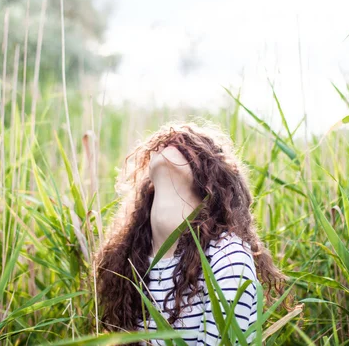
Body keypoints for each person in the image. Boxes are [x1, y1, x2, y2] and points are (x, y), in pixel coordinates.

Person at [96, 122, 287, 345]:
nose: (170, 142)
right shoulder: (131, 259)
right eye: (164, 143)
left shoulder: (226, 257)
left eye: (187, 145)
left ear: (211, 181)